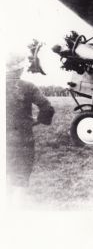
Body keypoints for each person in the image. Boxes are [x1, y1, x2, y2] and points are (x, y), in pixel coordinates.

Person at [6, 51, 55, 208]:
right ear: (20, 69)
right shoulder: (28, 87)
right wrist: (37, 121)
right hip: (22, 138)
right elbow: (47, 107)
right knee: (20, 179)